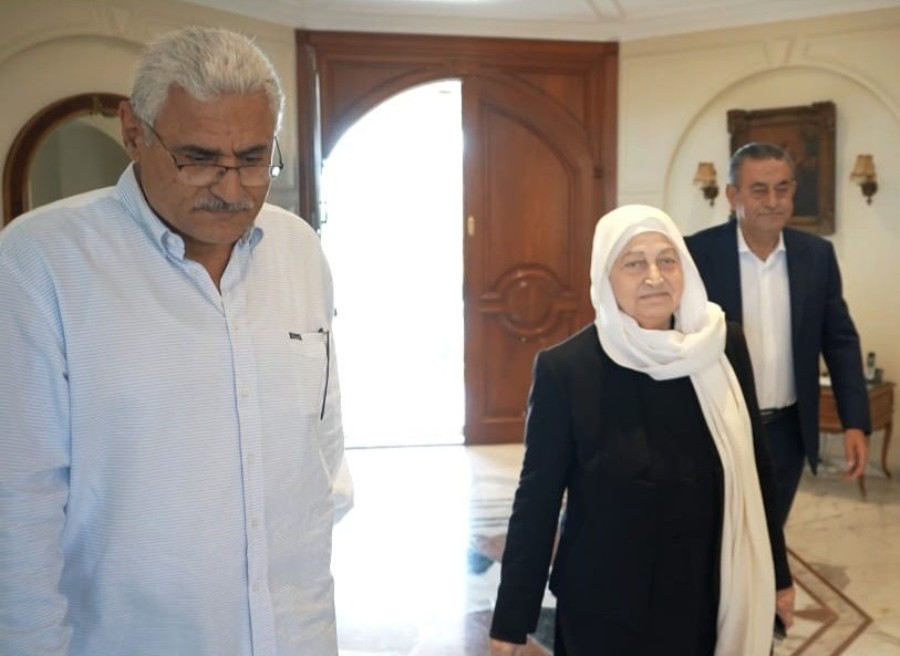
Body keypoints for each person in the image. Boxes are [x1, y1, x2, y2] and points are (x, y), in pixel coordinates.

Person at [0, 26, 352, 656]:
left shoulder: (299, 249)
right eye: (198, 158)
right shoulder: (41, 261)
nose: (231, 189)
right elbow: (17, 499)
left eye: (253, 158)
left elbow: (320, 445)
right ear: (134, 132)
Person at [489, 205, 793, 655]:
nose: (655, 276)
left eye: (667, 260)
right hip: (608, 609)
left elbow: (757, 468)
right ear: (605, 278)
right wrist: (512, 621)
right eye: (634, 263)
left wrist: (778, 576)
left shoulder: (722, 345)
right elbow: (537, 501)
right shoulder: (567, 370)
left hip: (711, 592)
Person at [685, 142, 870, 526]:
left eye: (782, 188)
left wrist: (855, 421)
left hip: (788, 432)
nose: (773, 201)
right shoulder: (697, 255)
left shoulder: (817, 256)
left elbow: (840, 341)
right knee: (714, 535)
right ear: (732, 195)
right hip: (716, 427)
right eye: (759, 190)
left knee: (770, 533)